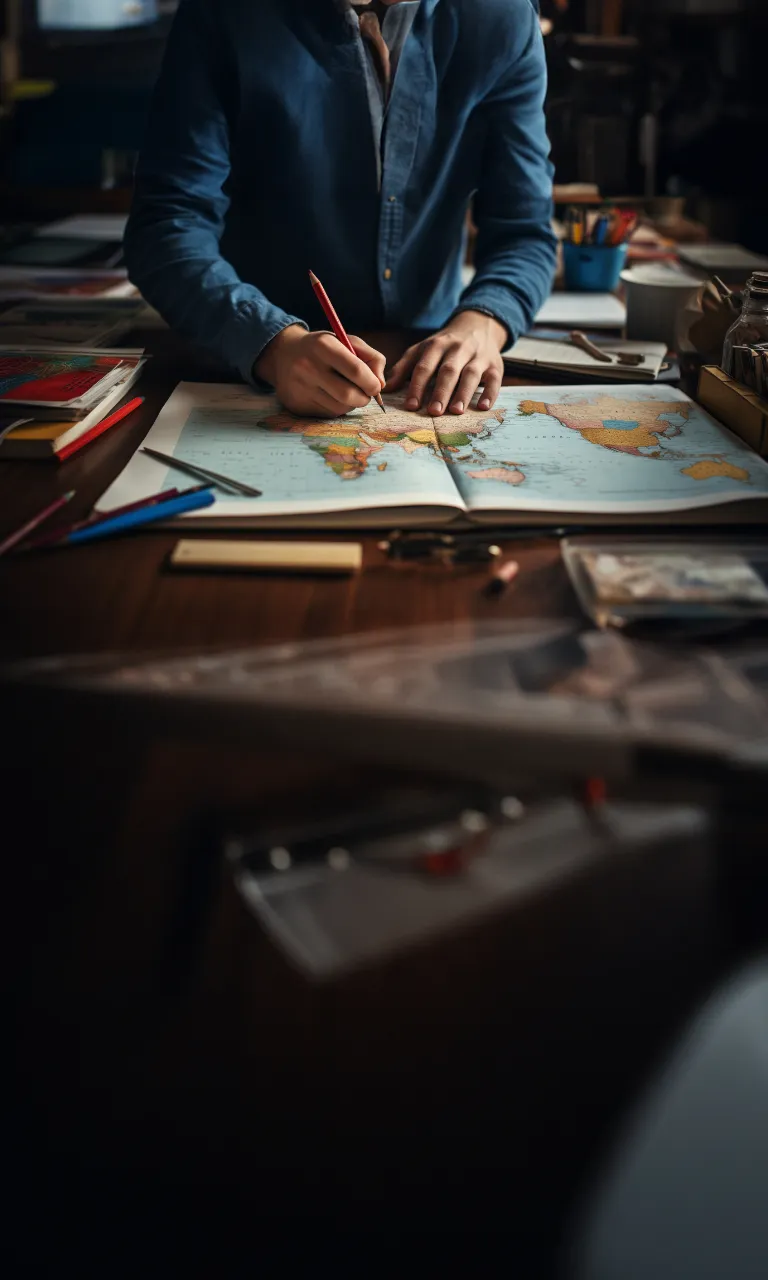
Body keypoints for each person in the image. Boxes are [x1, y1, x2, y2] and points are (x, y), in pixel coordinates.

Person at [125, 0, 557, 419]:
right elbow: (167, 226)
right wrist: (272, 346)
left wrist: (484, 322)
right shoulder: (224, 12)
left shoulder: (503, 16)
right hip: (245, 366)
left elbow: (524, 231)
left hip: (426, 365)